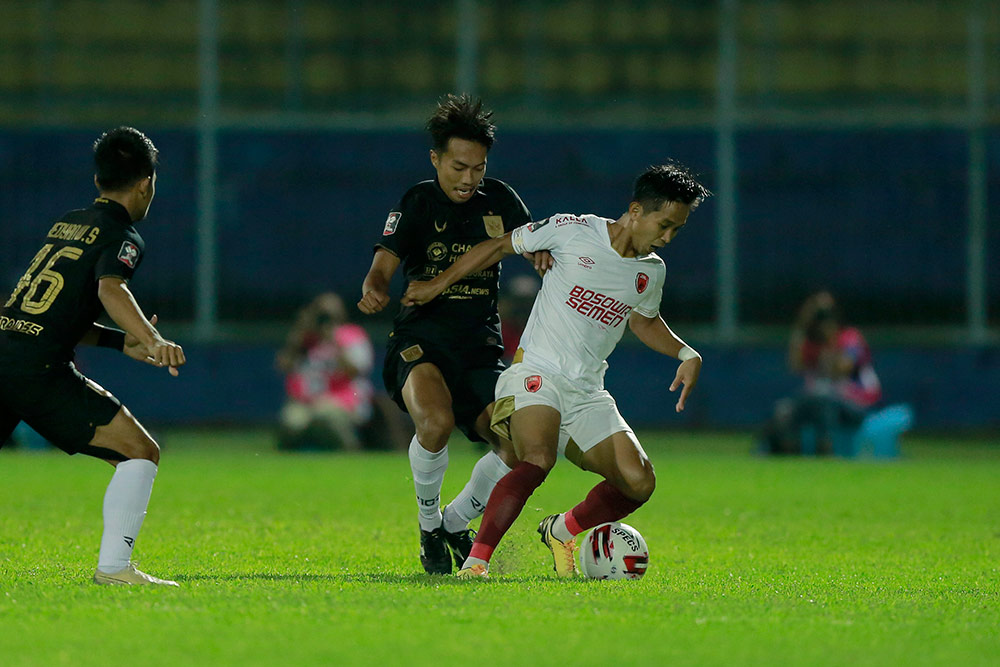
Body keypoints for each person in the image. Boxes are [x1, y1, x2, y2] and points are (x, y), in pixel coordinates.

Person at [403, 162, 711, 578]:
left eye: (677, 229)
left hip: (587, 392)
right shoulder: (574, 230)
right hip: (537, 373)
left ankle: (562, 529)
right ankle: (476, 562)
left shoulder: (650, 271)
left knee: (639, 482)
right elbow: (499, 245)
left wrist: (685, 353)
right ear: (636, 211)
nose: (668, 237)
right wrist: (437, 284)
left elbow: (642, 320)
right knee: (536, 458)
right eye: (665, 224)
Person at [357, 94, 552, 575]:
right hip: (420, 339)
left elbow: (533, 243)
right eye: (459, 167)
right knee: (436, 424)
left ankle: (454, 522)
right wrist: (376, 290)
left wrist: (542, 254)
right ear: (436, 159)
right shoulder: (418, 201)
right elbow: (381, 267)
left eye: (478, 169)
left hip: (480, 346)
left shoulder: (501, 200)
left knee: (515, 448)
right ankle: (428, 528)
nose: (469, 179)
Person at [0, 126, 185, 586]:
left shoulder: (69, 222)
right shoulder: (123, 235)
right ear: (145, 182)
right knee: (139, 452)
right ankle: (115, 570)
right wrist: (152, 338)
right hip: (36, 370)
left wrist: (124, 343)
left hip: (6, 347)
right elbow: (111, 288)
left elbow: (54, 311)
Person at [764, 291, 882, 455]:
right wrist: (802, 325)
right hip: (819, 403)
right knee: (784, 409)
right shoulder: (812, 344)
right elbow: (794, 365)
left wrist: (830, 343)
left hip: (857, 404)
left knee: (824, 400)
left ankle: (825, 449)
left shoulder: (850, 337)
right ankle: (789, 454)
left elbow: (842, 368)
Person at [277, 292, 375, 451]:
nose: (325, 320)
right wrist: (299, 333)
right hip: (306, 401)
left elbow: (356, 371)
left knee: (325, 414)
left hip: (344, 400)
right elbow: (283, 366)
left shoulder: (352, 335)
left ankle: (350, 449)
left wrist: (335, 341)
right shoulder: (306, 338)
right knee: (292, 422)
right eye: (321, 313)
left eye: (330, 314)